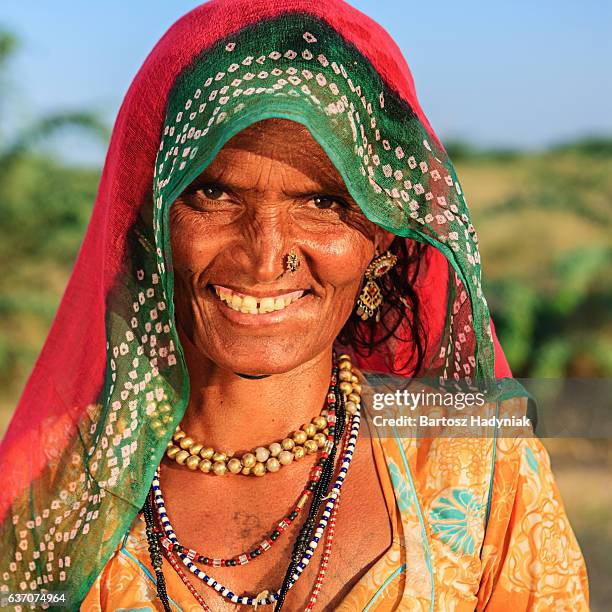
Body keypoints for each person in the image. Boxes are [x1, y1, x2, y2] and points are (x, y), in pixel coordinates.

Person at [0, 0, 588, 610]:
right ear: (154, 219)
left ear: (383, 234)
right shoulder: (60, 496)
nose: (265, 255)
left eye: (324, 203)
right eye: (214, 193)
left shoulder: (483, 474)